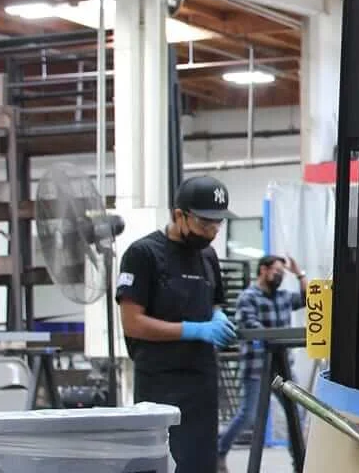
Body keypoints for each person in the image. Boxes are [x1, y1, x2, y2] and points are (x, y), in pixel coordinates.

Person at [116, 175, 237, 473]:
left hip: (202, 381)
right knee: (165, 464)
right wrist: (193, 329)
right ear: (178, 215)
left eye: (217, 225)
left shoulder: (208, 257)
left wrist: (217, 317)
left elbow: (214, 302)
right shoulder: (142, 255)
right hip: (161, 384)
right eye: (205, 224)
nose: (212, 232)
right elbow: (133, 323)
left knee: (200, 463)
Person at [217, 255, 307, 472]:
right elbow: (251, 325)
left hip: (283, 365)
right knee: (248, 415)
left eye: (282, 273)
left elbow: (309, 299)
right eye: (276, 271)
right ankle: (219, 451)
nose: (279, 276)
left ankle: (299, 463)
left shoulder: (284, 297)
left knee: (297, 412)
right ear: (263, 270)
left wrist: (299, 274)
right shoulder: (248, 297)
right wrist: (275, 337)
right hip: (257, 366)